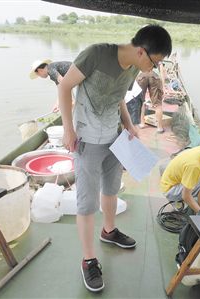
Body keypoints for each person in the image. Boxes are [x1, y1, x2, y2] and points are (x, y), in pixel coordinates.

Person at [58, 25, 172, 292]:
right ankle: (88, 259)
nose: (154, 69)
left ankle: (108, 231)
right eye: (155, 62)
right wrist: (68, 129)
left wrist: (129, 124)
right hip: (85, 139)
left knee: (110, 189)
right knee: (86, 202)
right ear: (141, 51)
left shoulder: (134, 67)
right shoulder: (96, 55)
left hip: (114, 137)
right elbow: (64, 88)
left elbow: (120, 96)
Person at [136, 63, 166, 133]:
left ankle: (142, 123)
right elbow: (161, 67)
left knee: (141, 101)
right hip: (154, 75)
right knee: (158, 104)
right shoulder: (157, 52)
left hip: (142, 75)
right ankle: (159, 128)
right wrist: (163, 85)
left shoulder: (141, 52)